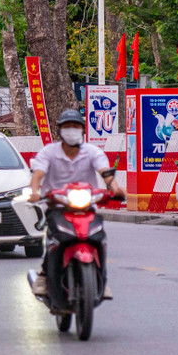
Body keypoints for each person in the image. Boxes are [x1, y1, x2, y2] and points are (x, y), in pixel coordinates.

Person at [29, 108, 124, 304]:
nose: (71, 130)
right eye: (67, 127)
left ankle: (99, 278)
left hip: (87, 207)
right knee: (55, 241)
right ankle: (45, 276)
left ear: (82, 130)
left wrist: (114, 188)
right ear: (60, 131)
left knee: (99, 238)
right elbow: (38, 174)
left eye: (75, 127)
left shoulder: (92, 152)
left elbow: (104, 172)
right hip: (57, 207)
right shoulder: (49, 152)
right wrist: (35, 191)